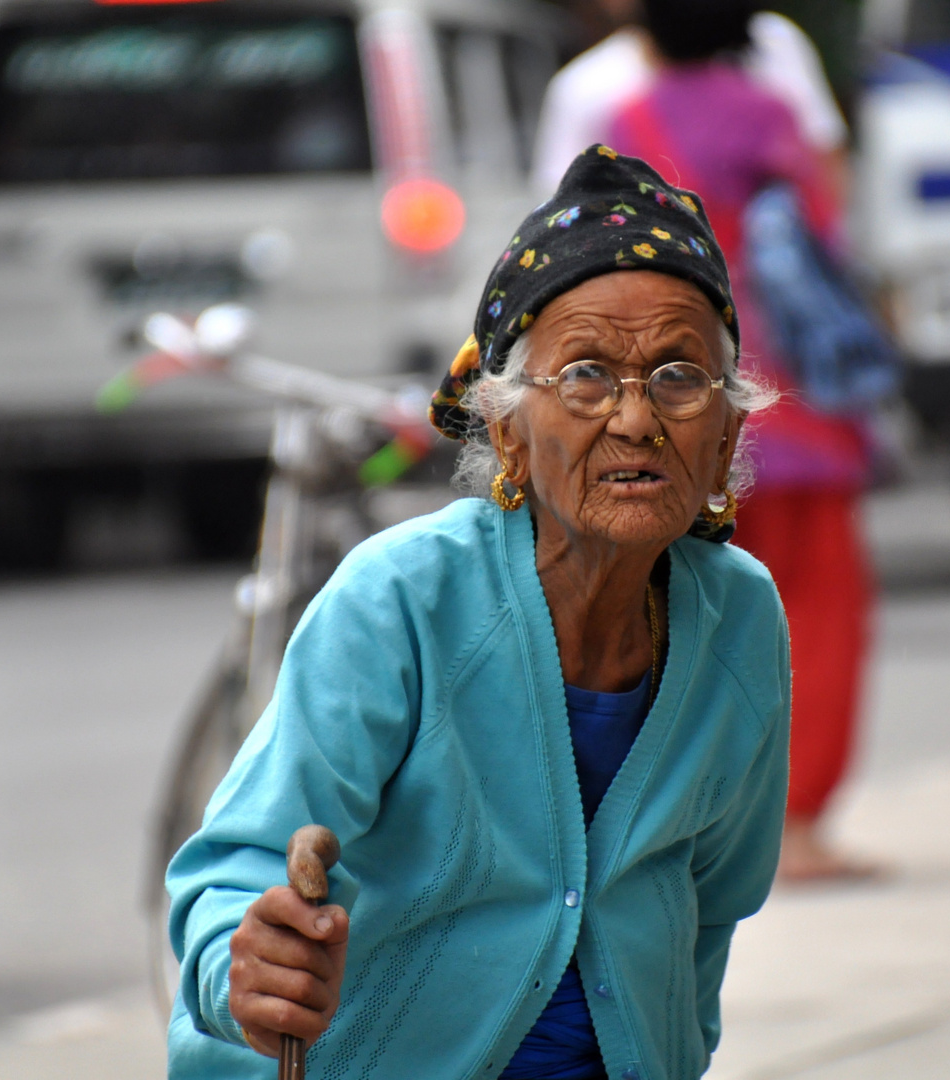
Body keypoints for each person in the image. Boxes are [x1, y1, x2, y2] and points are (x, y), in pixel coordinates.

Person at [166, 146, 788, 1080]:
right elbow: (240, 862)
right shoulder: (403, 599)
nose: (635, 420)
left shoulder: (742, 620)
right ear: (507, 430)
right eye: (584, 375)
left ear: (729, 430)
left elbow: (712, 909)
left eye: (677, 377)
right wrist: (240, 968)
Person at [606, 0, 881, 882]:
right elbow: (826, 240)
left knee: (683, 621)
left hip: (680, 412)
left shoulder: (625, 126)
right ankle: (793, 828)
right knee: (816, 616)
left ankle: (689, 825)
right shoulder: (772, 118)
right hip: (795, 415)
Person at [531, 0, 848, 199]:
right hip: (760, 290)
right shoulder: (768, 106)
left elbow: (562, 209)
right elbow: (820, 188)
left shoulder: (624, 114)